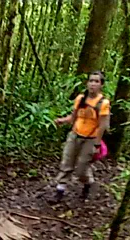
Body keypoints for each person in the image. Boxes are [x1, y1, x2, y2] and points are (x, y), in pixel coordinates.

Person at [53, 71, 111, 202]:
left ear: (101, 85)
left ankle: (88, 183)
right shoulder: (80, 98)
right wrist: (62, 120)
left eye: (96, 81)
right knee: (66, 162)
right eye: (91, 81)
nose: (92, 84)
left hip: (90, 139)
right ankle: (59, 191)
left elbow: (103, 125)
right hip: (75, 134)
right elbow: (73, 117)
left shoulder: (103, 103)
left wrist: (97, 144)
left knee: (81, 168)